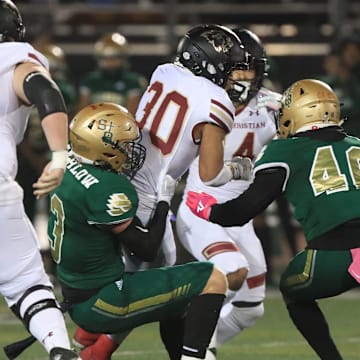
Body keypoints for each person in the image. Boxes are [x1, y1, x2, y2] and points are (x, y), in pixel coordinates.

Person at [72, 24, 252, 359]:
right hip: (149, 197)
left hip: (118, 179)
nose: (233, 78)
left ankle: (92, 339)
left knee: (145, 278)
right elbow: (210, 176)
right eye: (228, 68)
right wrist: (238, 167)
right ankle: (101, 341)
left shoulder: (164, 72)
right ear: (207, 63)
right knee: (171, 284)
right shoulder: (217, 100)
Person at [186, 78, 360, 360]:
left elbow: (246, 208)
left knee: (292, 288)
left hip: (333, 255)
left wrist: (210, 210)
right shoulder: (356, 144)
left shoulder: (286, 150)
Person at [48, 102, 229, 360]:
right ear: (102, 148)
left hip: (78, 290)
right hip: (103, 299)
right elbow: (146, 248)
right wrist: (164, 202)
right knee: (212, 278)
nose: (131, 150)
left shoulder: (67, 161)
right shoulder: (106, 188)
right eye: (123, 145)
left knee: (179, 302)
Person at [175, 28, 280, 355]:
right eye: (238, 69)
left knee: (251, 307)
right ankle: (191, 343)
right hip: (201, 208)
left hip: (239, 216)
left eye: (251, 69)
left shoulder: (273, 106)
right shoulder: (203, 101)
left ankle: (203, 345)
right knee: (232, 271)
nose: (245, 78)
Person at [0, 1, 79, 359]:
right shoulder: (15, 61)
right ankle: (61, 349)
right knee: (26, 282)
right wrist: (60, 157)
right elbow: (46, 93)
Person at [77, 31, 147, 115]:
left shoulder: (133, 81)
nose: (110, 62)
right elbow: (82, 112)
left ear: (123, 58)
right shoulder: (90, 80)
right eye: (106, 59)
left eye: (114, 58)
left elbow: (131, 114)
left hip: (121, 124)